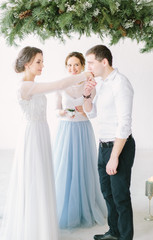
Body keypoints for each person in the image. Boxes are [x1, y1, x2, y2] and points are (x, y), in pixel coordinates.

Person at [0, 46, 92, 240]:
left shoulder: (33, 84)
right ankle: (33, 229)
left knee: (42, 176)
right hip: (32, 135)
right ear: (27, 64)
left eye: (42, 61)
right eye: (38, 62)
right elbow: (60, 84)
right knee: (34, 177)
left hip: (41, 132)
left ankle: (41, 226)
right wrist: (84, 74)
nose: (42, 65)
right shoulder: (25, 86)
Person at [83, 45, 135, 240]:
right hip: (103, 145)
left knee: (120, 196)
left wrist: (114, 157)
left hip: (119, 147)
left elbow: (124, 124)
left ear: (104, 62)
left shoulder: (121, 83)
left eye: (91, 63)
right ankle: (114, 232)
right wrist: (87, 95)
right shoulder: (102, 83)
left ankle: (125, 237)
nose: (88, 67)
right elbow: (91, 112)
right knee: (107, 193)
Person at [53, 52, 106, 229]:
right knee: (65, 166)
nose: (72, 68)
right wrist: (65, 111)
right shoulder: (61, 85)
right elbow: (56, 110)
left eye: (76, 65)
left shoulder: (89, 84)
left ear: (83, 66)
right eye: (69, 65)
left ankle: (85, 206)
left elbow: (91, 110)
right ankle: (65, 207)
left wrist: (83, 110)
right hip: (66, 129)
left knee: (83, 166)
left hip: (83, 128)